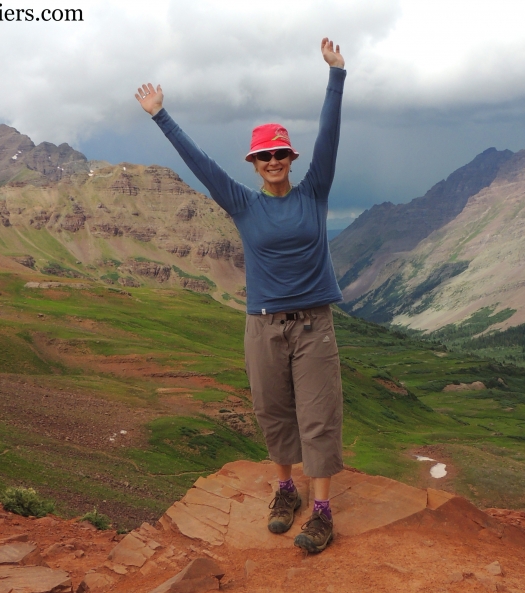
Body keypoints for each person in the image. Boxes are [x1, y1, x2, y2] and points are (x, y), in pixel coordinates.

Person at [136, 38, 346, 553]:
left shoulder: (314, 191)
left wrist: (336, 76)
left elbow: (330, 136)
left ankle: (321, 511)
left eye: (280, 153)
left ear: (290, 158)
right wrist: (161, 116)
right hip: (263, 325)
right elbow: (200, 162)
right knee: (273, 411)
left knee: (319, 415)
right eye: (264, 156)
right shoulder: (241, 202)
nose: (273, 161)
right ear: (254, 164)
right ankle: (285, 490)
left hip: (314, 324)